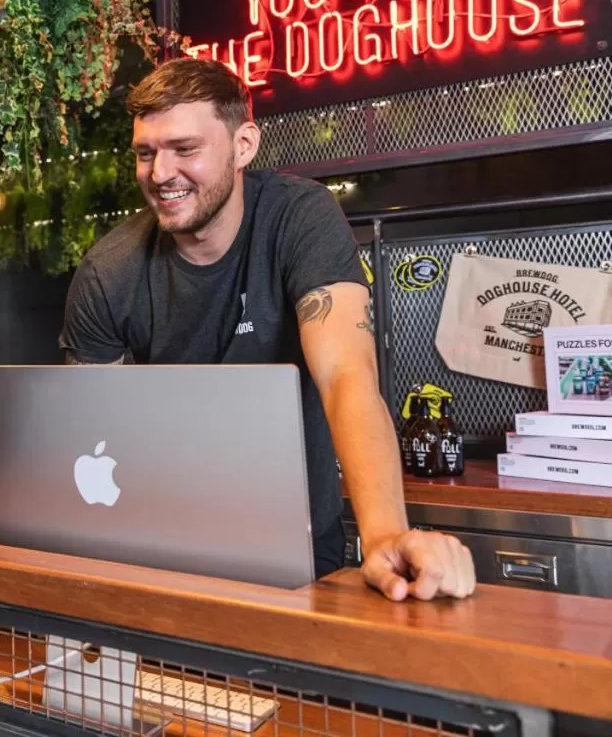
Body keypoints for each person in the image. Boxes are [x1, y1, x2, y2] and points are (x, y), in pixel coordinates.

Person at [59, 58, 476, 602]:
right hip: (164, 552)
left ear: (244, 145)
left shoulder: (300, 218)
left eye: (184, 149)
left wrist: (385, 536)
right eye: (145, 153)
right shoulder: (109, 272)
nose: (160, 173)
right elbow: (91, 433)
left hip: (298, 546)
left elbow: (346, 374)